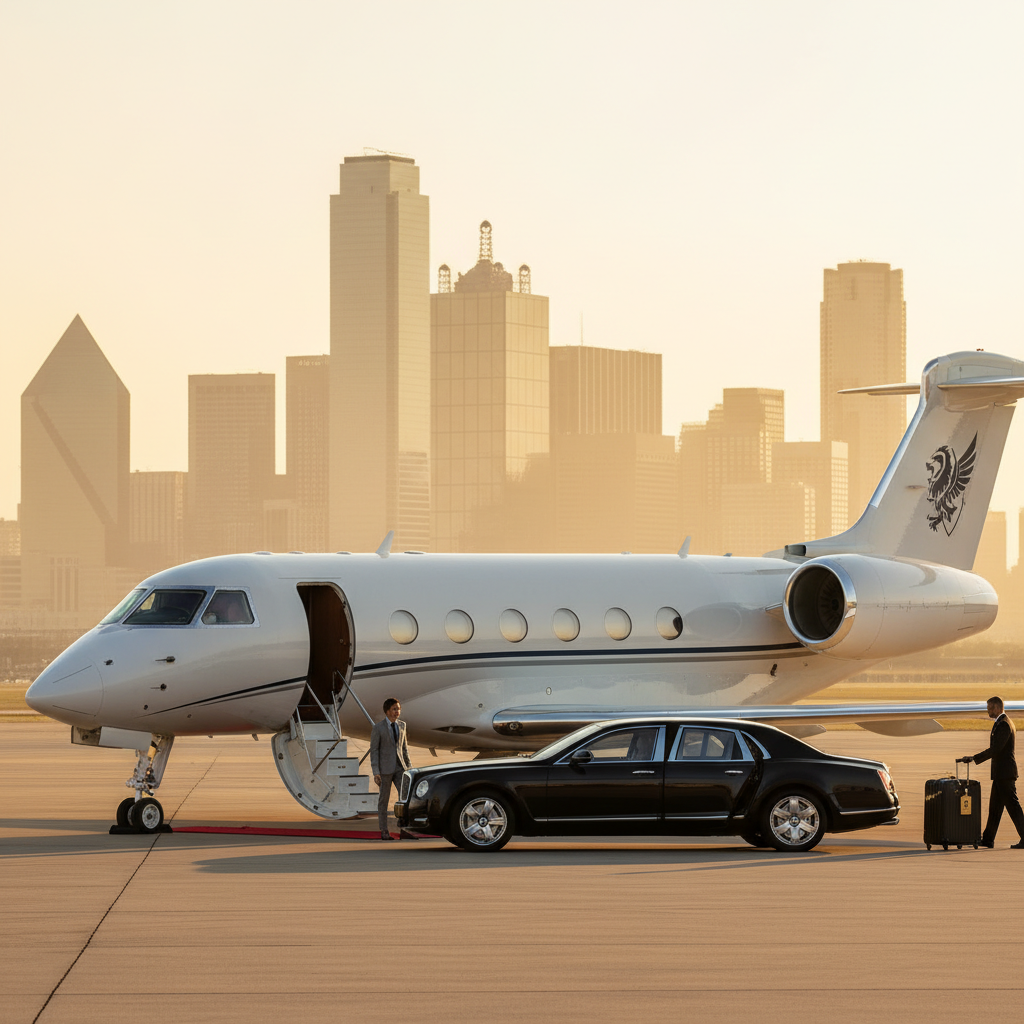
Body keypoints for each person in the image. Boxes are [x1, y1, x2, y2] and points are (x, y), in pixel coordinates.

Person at [960, 695, 1024, 849]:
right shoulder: (1001, 723)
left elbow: (996, 750)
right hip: (1001, 774)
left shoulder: (1004, 724)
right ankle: (988, 839)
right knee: (994, 808)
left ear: (996, 707)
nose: (987, 710)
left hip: (1005, 774)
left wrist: (974, 758)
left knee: (1013, 807)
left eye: (989, 707)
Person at [369, 697, 410, 841]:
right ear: (387, 711)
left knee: (404, 799)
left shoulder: (402, 725)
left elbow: (404, 749)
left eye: (398, 709)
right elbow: (374, 751)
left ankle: (404, 829)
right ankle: (384, 830)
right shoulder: (378, 728)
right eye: (394, 709)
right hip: (385, 770)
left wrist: (409, 768)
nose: (397, 712)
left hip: (400, 768)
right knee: (383, 801)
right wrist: (376, 772)